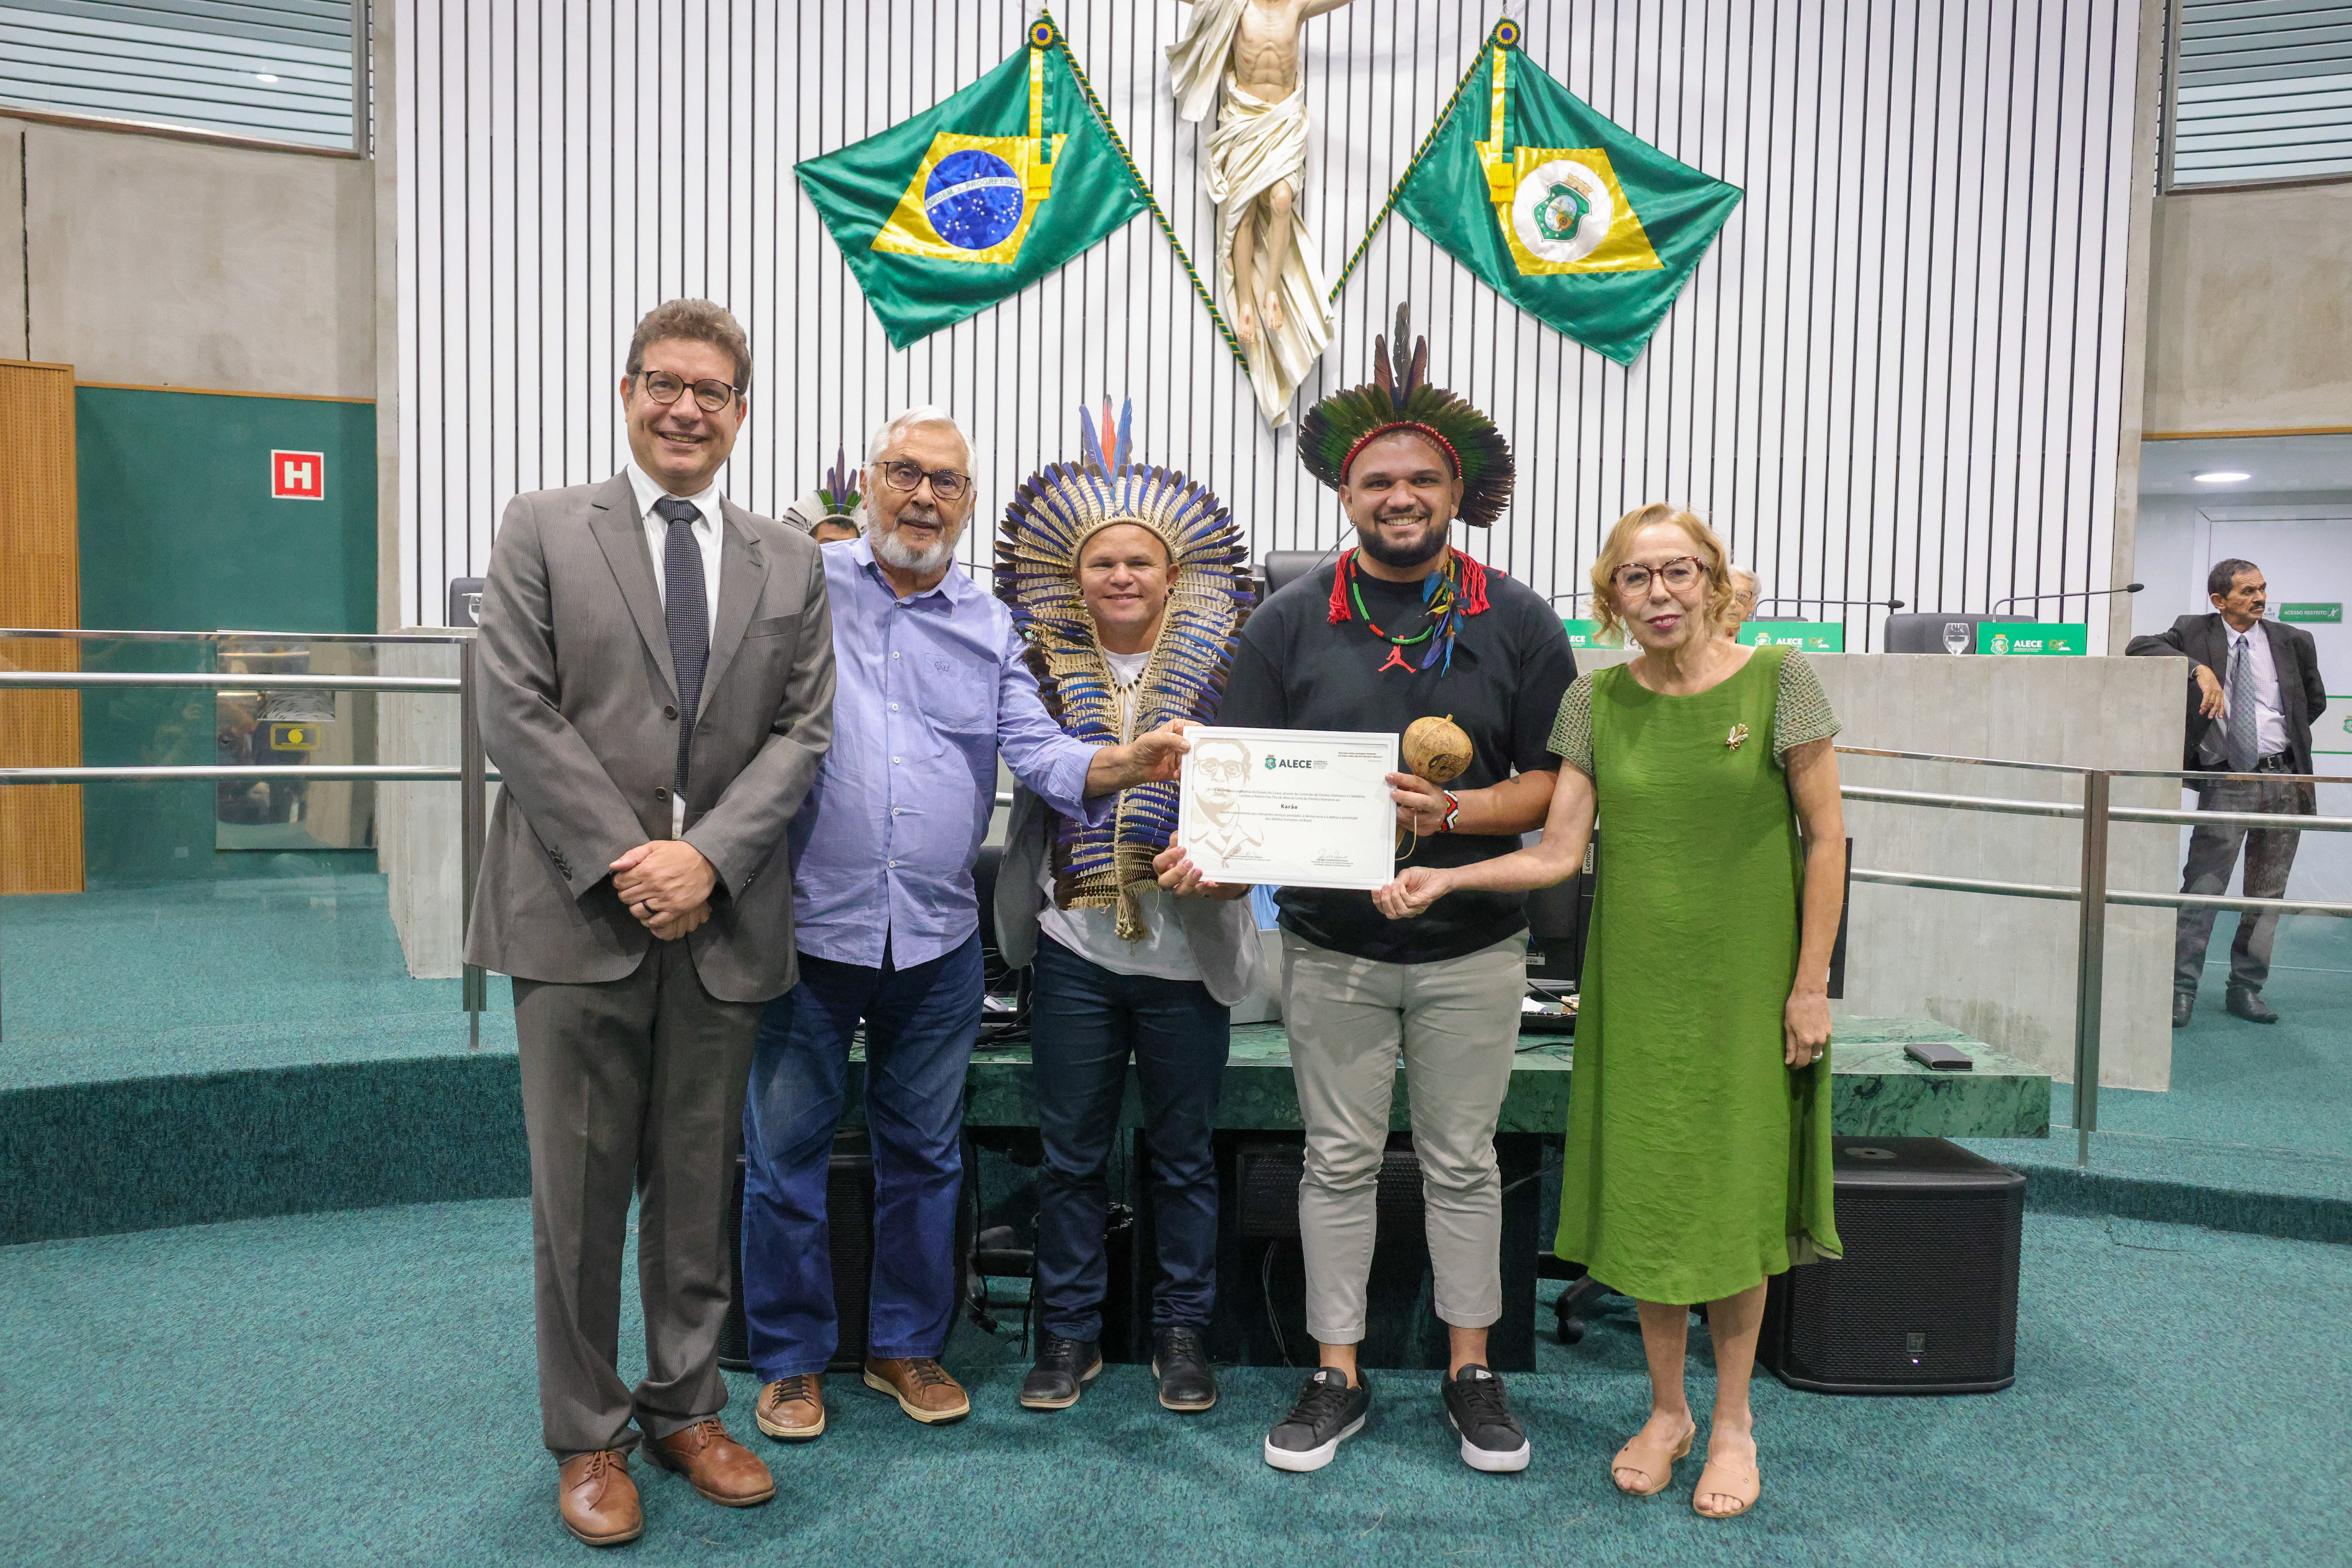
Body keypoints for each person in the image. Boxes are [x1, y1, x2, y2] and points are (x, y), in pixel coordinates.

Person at [1156, 308, 1578, 1475]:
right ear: (1344, 494)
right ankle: (1335, 1370)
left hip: (1473, 945)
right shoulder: (1287, 619)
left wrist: (1448, 815)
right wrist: (1214, 852)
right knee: (1335, 1160)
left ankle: (1471, 1369)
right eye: (1378, 480)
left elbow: (1552, 785)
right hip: (1330, 947)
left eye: (1421, 479)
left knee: (1463, 1161)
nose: (1400, 496)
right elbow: (1242, 778)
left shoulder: (1518, 617)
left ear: (1458, 491)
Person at [1373, 501, 1845, 1521]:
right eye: (1636, 577)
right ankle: (1668, 1410)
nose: (1659, 593)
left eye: (1677, 571)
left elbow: (1827, 839)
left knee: (1734, 1201)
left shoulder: (1781, 679)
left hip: (1747, 992)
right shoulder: (1596, 700)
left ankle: (1733, 1422)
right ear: (1612, 596)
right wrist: (1446, 875)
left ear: (1711, 577)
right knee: (1652, 1193)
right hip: (1634, 991)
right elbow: (1555, 852)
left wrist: (1810, 984)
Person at [740, 405, 1193, 1441]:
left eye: (945, 481)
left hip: (936, 938)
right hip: (807, 927)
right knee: (786, 1157)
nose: (923, 496)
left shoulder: (990, 624)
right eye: (905, 473)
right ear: (869, 482)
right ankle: (792, 1360)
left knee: (926, 1157)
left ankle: (905, 1344)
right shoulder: (800, 588)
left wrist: (1127, 761)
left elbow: (1036, 750)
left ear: (969, 502)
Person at [468, 299, 837, 1548]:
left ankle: (688, 1405)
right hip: (577, 910)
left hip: (721, 919)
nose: (686, 408)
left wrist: (708, 859)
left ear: (742, 411)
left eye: (712, 391)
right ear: (627, 392)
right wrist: (635, 861)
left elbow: (803, 731)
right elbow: (515, 709)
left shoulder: (788, 559)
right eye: (664, 383)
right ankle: (587, 1433)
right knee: (577, 1196)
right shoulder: (542, 526)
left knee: (695, 1183)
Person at [990, 403, 1263, 1415]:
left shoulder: (1233, 668)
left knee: (1185, 1156)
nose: (1119, 576)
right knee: (1070, 1156)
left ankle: (1182, 1332)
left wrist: (1235, 860)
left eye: (1138, 561)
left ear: (1173, 572)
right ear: (1073, 575)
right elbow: (1035, 772)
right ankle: (1068, 1333)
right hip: (1074, 947)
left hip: (1187, 955)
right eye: (1101, 562)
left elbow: (1262, 797)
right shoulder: (1027, 668)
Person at [2126, 559, 2328, 1026]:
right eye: (2247, 592)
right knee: (2203, 888)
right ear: (2219, 600)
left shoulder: (2294, 640)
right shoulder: (2193, 630)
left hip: (2283, 780)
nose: (2259, 599)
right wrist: (2199, 670)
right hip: (2226, 781)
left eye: (2261, 589)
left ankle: (2246, 988)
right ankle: (2180, 989)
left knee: (2266, 894)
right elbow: (2138, 647)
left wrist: (2274, 744)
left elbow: (2312, 703)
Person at [1723, 567, 1761, 640]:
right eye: (1726, 595)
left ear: (1753, 603)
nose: (1732, 603)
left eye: (1741, 596)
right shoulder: (1702, 637)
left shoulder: (1758, 639)